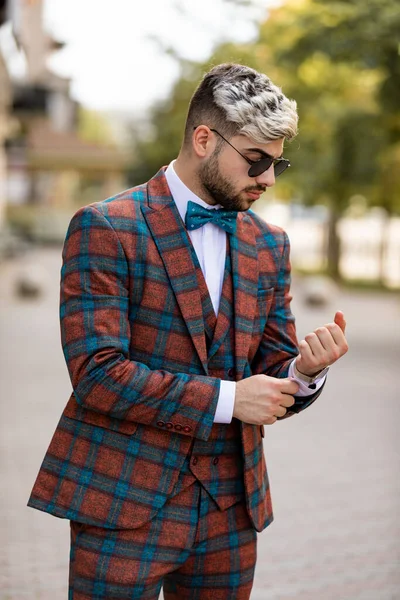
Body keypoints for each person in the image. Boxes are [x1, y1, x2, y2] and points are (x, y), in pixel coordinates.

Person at [28, 63, 348, 599]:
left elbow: (269, 373)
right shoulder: (107, 227)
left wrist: (303, 371)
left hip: (231, 507)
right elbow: (98, 374)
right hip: (121, 501)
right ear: (204, 139)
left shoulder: (271, 245)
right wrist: (228, 400)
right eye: (256, 160)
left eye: (277, 163)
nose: (268, 178)